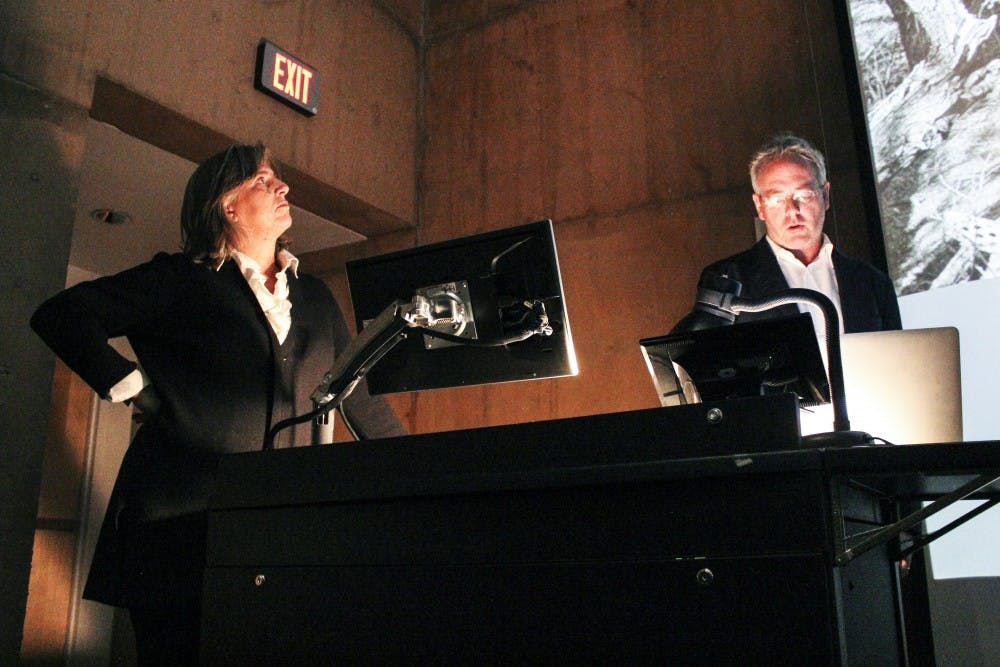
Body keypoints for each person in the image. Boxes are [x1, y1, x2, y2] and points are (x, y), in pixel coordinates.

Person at [30, 143, 406, 664]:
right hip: (177, 530)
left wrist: (417, 472)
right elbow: (61, 316)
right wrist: (134, 386)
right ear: (227, 204)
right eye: (263, 179)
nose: (283, 188)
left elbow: (358, 397)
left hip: (278, 533)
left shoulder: (315, 296)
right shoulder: (179, 279)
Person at [681, 133, 901, 339]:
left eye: (803, 196)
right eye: (777, 200)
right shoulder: (727, 280)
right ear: (759, 206)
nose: (792, 210)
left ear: (825, 196)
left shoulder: (874, 283)